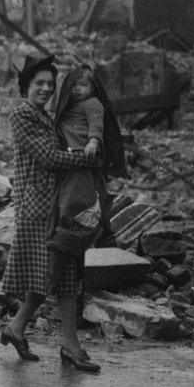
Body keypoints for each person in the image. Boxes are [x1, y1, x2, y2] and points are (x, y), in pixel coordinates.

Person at [0, 55, 101, 373]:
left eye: (50, 84)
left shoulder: (48, 116)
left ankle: (20, 329)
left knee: (63, 273)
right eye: (38, 83)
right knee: (55, 273)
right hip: (36, 206)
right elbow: (48, 157)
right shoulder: (22, 115)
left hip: (58, 207)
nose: (45, 88)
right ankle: (67, 346)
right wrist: (89, 159)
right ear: (25, 87)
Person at [47, 64, 125, 290]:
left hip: (82, 162)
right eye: (75, 85)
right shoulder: (69, 106)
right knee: (64, 208)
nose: (79, 89)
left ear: (93, 87)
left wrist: (93, 141)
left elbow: (96, 125)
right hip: (70, 165)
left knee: (73, 208)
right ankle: (62, 262)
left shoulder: (93, 104)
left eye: (84, 85)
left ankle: (57, 269)